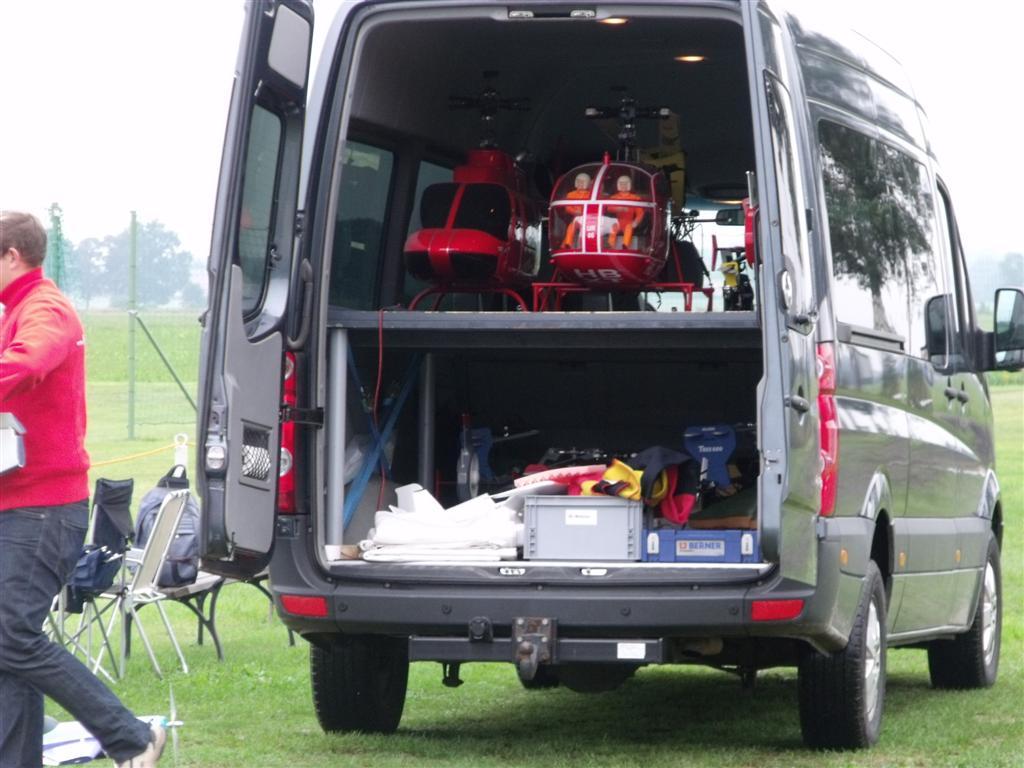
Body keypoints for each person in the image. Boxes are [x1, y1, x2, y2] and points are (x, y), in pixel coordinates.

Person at [0, 211, 164, 767]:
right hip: (22, 506)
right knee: (7, 644)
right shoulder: (17, 310)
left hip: (41, 511)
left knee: (12, 636)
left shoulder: (45, 309)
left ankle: (132, 736)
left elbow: (31, 359)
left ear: (11, 256)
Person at [606, 174, 645, 249]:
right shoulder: (614, 197)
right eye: (621, 184)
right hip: (618, 221)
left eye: (625, 184)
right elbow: (609, 208)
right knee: (613, 227)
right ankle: (610, 245)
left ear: (629, 185)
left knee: (628, 228)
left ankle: (625, 245)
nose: (623, 186)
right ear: (618, 185)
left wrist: (636, 222)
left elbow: (640, 213)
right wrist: (618, 209)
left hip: (629, 221)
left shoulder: (635, 198)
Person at [559, 171, 593, 248]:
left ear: (588, 183)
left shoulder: (591, 195)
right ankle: (567, 245)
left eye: (583, 182)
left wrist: (584, 212)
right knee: (571, 227)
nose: (580, 183)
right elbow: (567, 207)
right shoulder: (570, 194)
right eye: (579, 181)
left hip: (588, 219)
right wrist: (575, 212)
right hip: (576, 218)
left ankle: (585, 246)